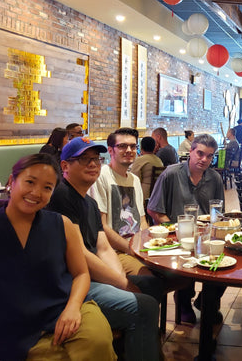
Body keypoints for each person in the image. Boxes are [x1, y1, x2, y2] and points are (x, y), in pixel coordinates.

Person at [0, 154, 115, 360]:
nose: (36, 193)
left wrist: (73, 308)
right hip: (14, 327)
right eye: (30, 182)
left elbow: (81, 274)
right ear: (11, 182)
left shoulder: (62, 225)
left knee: (97, 341)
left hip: (67, 308)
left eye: (47, 188)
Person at [47, 137, 163, 359]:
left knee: (151, 285)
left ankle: (134, 347)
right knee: (145, 307)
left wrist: (120, 280)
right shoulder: (61, 196)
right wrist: (121, 284)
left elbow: (102, 247)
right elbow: (79, 254)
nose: (93, 164)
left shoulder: (89, 203)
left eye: (96, 159)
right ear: (65, 166)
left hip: (92, 277)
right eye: (84, 159)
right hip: (72, 283)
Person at [147, 134, 226, 324]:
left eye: (209, 156)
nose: (204, 159)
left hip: (205, 236)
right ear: (190, 152)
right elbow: (154, 209)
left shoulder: (214, 178)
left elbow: (219, 214)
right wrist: (173, 231)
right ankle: (183, 301)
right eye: (200, 153)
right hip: (176, 238)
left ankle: (207, 301)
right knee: (185, 266)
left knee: (224, 267)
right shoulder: (171, 174)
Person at [89, 128, 149, 276]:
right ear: (110, 150)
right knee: (149, 277)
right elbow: (101, 226)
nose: (129, 150)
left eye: (133, 146)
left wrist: (148, 246)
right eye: (122, 146)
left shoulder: (134, 180)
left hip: (135, 247)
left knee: (178, 273)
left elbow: (142, 220)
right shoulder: (101, 176)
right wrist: (133, 250)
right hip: (115, 251)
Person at [131, 136, 164, 200]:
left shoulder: (140, 160)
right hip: (158, 195)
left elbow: (133, 179)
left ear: (141, 147)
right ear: (154, 147)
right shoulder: (159, 160)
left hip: (144, 196)